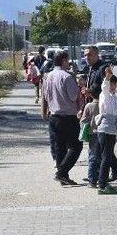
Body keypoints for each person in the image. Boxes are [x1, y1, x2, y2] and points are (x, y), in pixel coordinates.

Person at [83, 45, 117, 181]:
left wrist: (90, 90)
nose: (86, 57)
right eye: (85, 55)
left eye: (89, 55)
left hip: (100, 110)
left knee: (98, 146)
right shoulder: (90, 68)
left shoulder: (101, 69)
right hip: (92, 106)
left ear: (96, 55)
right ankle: (114, 171)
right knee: (103, 146)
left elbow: (103, 88)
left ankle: (97, 178)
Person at [42, 51, 82, 185]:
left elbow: (46, 96)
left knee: (60, 147)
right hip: (68, 117)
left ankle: (62, 176)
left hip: (54, 116)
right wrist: (79, 86)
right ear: (64, 61)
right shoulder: (67, 77)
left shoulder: (48, 76)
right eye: (68, 60)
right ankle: (61, 173)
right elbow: (73, 96)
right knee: (76, 146)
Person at [94, 66, 117, 194]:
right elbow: (104, 87)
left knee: (107, 156)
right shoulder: (104, 94)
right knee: (106, 157)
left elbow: (116, 113)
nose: (112, 87)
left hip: (112, 130)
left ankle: (104, 181)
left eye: (114, 85)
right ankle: (102, 184)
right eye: (111, 84)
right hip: (105, 129)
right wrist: (107, 76)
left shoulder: (114, 97)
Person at [80, 88, 101, 188]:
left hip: (93, 133)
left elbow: (83, 120)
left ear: (91, 95)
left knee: (92, 156)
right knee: (102, 156)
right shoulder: (104, 105)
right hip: (104, 133)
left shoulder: (89, 106)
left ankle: (92, 180)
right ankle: (102, 178)